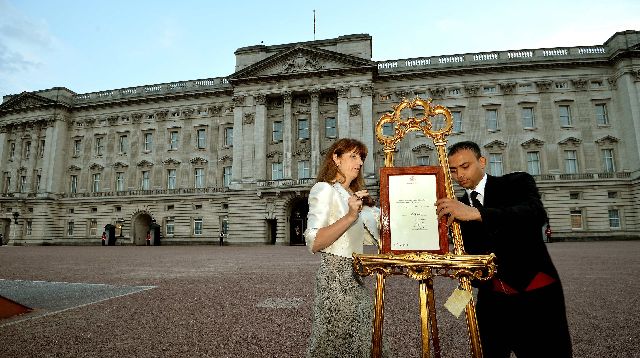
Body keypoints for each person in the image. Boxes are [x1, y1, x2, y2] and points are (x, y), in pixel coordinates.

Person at [435, 141, 572, 358]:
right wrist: (457, 276)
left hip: (536, 299)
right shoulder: (455, 206)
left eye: (465, 166)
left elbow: (535, 215)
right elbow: (471, 256)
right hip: (492, 303)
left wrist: (475, 214)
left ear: (482, 162)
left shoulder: (516, 182)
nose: (459, 175)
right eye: (453, 170)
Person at [304, 138, 386, 358]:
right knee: (341, 344)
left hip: (356, 277)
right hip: (335, 280)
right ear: (336, 159)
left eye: (361, 157)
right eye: (353, 156)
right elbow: (313, 241)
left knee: (365, 341)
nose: (359, 163)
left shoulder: (357, 196)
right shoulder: (324, 189)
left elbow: (385, 229)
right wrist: (351, 216)